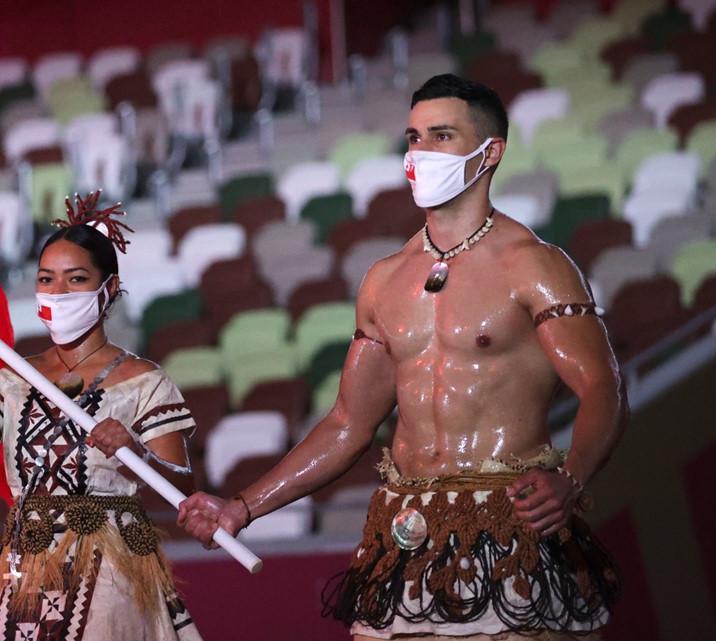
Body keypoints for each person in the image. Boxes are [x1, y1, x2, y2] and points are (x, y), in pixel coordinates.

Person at [177, 73, 626, 640]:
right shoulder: (384, 280)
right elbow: (347, 423)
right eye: (414, 138)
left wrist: (571, 476)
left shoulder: (535, 264)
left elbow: (604, 387)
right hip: (405, 537)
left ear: (491, 152)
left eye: (441, 136)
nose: (420, 152)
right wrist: (241, 508)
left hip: (511, 533)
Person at [0, 192, 203, 641]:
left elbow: (184, 489)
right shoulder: (15, 378)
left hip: (114, 570)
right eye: (47, 279)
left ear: (107, 289)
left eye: (75, 279)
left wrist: (134, 451)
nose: (58, 292)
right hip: (25, 572)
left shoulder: (143, 379)